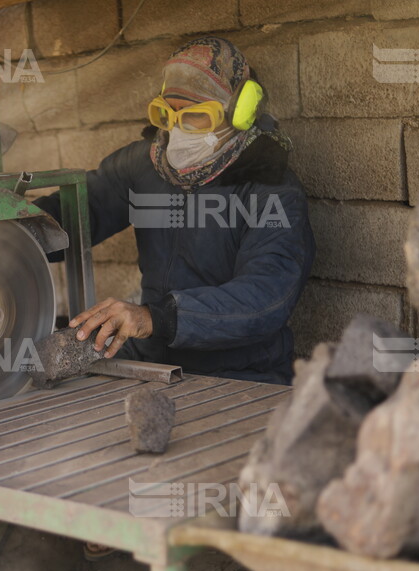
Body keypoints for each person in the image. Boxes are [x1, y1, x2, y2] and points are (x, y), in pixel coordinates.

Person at [35, 36, 315, 388]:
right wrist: (10, 234)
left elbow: (265, 298)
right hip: (153, 360)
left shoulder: (271, 189)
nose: (178, 131)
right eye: (167, 115)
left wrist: (155, 317)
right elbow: (79, 211)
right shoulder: (144, 165)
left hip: (241, 374)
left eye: (197, 117)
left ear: (239, 113)